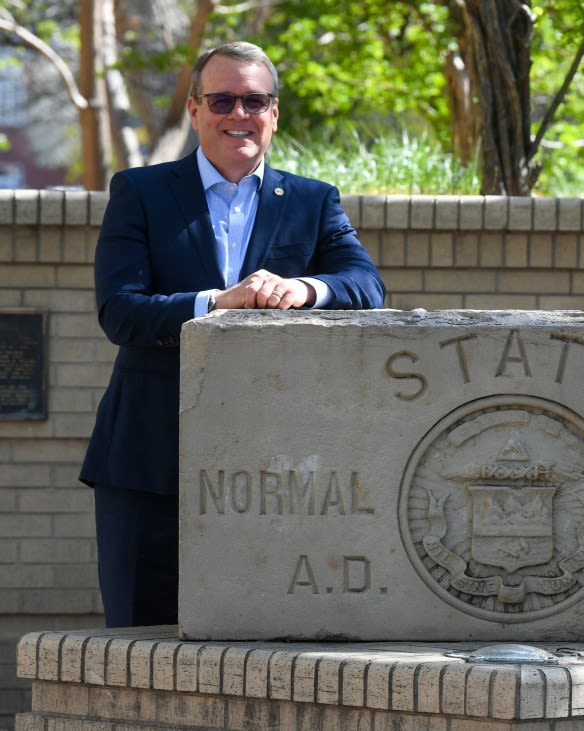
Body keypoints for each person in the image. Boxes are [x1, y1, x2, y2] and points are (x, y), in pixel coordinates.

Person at [79, 41, 386, 627]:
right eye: (222, 100)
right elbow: (120, 312)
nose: (238, 114)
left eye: (254, 100)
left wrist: (304, 290)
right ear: (194, 110)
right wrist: (218, 303)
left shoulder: (311, 201)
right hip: (147, 459)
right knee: (141, 644)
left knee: (266, 644)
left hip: (274, 470)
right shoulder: (139, 193)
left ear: (274, 113)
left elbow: (365, 285)